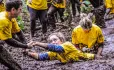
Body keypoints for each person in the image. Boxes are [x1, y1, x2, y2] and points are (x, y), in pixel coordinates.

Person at [25, 32, 97, 64]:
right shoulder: (54, 53)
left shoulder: (67, 44)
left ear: (61, 40)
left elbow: (56, 48)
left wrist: (37, 43)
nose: (53, 42)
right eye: (51, 41)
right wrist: (27, 53)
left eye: (55, 39)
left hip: (91, 59)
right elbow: (40, 57)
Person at [0, 0, 32, 70]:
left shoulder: (11, 17)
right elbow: (9, 41)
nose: (21, 11)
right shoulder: (3, 20)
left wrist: (25, 45)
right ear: (13, 10)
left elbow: (19, 32)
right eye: (20, 9)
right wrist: (26, 46)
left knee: (14, 66)